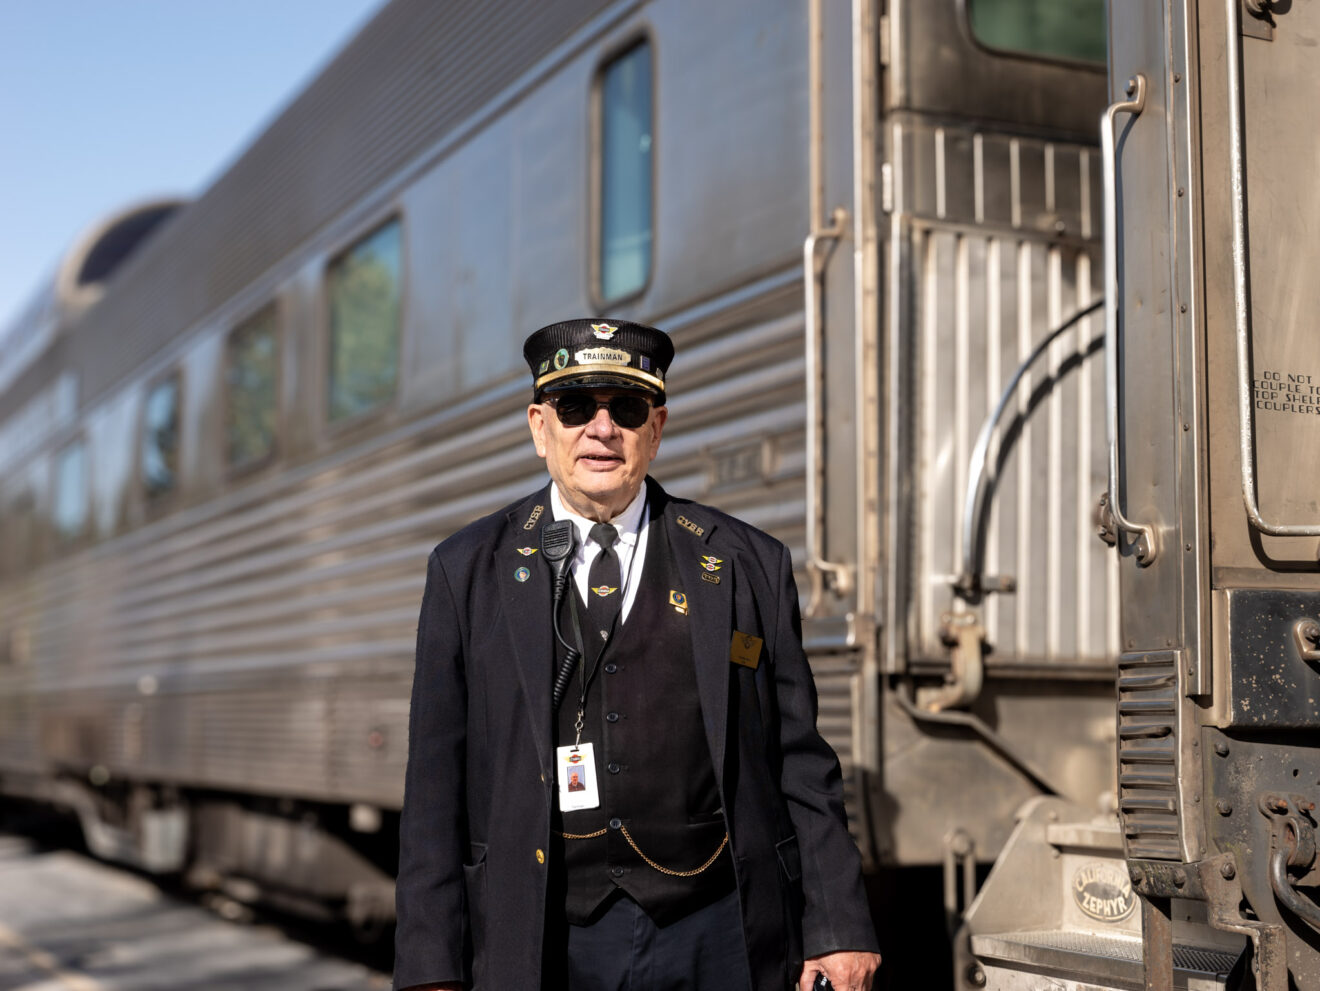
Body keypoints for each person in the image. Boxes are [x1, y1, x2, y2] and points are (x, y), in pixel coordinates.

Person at [394, 319, 881, 991]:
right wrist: (430, 966)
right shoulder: (466, 569)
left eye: (626, 408)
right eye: (575, 408)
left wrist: (839, 924)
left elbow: (798, 756)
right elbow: (433, 783)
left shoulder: (747, 563)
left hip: (717, 931)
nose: (602, 429)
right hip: (543, 934)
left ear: (656, 428)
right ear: (540, 427)